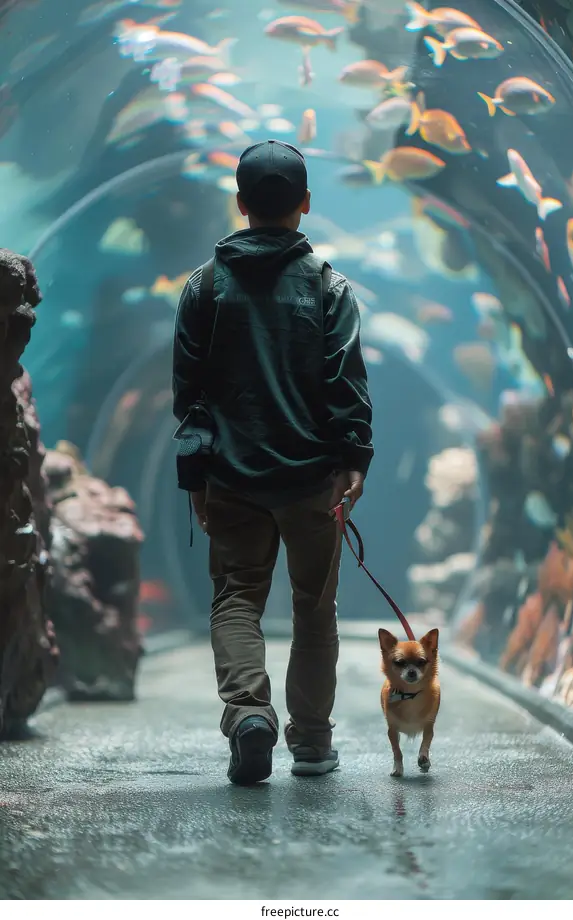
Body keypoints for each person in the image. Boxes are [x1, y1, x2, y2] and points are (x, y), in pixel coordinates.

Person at [172, 139, 373, 785]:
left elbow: (189, 396)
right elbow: (346, 383)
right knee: (315, 606)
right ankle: (312, 744)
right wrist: (353, 459)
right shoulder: (329, 287)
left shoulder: (204, 286)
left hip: (231, 474)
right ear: (305, 204)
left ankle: (249, 714)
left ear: (241, 204)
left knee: (235, 599)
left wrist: (195, 478)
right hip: (313, 479)